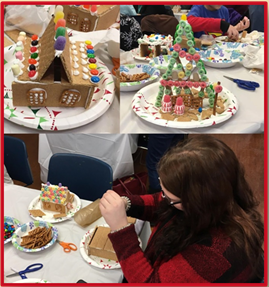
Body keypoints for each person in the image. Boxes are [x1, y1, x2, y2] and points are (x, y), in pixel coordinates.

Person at [99, 135, 264, 283]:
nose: (163, 197)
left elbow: (151, 282)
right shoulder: (216, 200)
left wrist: (121, 230)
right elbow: (162, 203)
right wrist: (127, 203)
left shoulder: (217, 255)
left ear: (196, 201)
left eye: (169, 197)